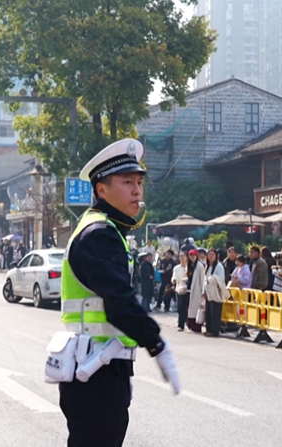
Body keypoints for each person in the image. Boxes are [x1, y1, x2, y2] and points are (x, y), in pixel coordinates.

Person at [59, 138, 180, 447]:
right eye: (127, 182)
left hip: (98, 369)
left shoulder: (107, 230)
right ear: (101, 189)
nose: (137, 190)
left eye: (139, 182)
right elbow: (119, 302)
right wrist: (157, 344)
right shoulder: (99, 234)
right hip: (96, 373)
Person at [203, 249, 227, 337]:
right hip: (209, 291)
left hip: (216, 292)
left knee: (215, 312)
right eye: (209, 254)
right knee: (209, 312)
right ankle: (209, 328)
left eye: (212, 254)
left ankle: (214, 330)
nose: (211, 256)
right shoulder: (208, 266)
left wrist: (212, 279)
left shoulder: (219, 266)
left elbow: (221, 279)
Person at [184, 249, 206, 333]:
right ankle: (190, 325)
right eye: (190, 255)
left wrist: (202, 291)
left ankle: (196, 327)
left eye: (193, 255)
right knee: (189, 309)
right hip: (189, 289)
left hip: (197, 290)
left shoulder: (200, 266)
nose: (192, 257)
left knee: (196, 309)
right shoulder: (189, 265)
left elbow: (202, 279)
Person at [172, 252, 190, 332]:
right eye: (180, 256)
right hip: (179, 289)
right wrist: (174, 280)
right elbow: (174, 276)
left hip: (188, 290)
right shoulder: (176, 268)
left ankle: (186, 322)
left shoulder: (189, 267)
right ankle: (180, 324)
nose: (182, 258)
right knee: (180, 307)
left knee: (186, 307)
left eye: (183, 256)